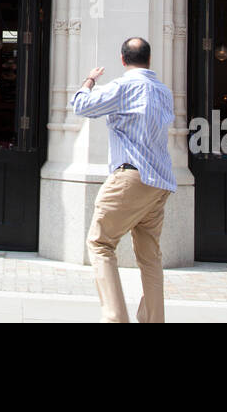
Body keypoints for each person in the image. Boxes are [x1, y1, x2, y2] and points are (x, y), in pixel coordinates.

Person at [69, 37, 175, 323]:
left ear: (123, 59)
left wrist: (89, 81)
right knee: (150, 257)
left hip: (130, 176)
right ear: (149, 59)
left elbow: (81, 106)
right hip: (160, 182)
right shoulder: (164, 92)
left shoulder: (123, 86)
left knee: (101, 243)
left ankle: (116, 319)